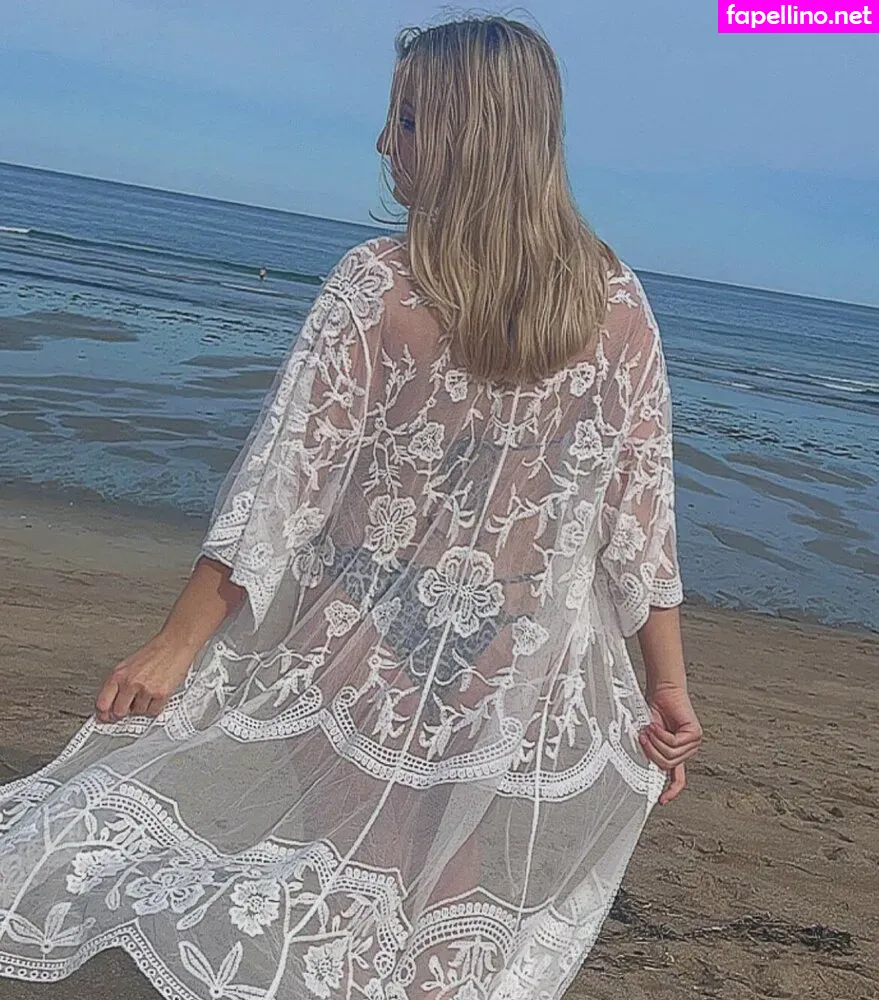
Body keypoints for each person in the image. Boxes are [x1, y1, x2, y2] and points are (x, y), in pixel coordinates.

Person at [0, 16, 702, 999]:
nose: (384, 142)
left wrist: (176, 641)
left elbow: (281, 486)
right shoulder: (614, 300)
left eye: (405, 119)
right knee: (439, 864)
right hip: (511, 650)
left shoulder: (379, 283)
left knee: (352, 858)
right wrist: (666, 682)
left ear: (467, 132)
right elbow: (639, 522)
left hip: (360, 628)